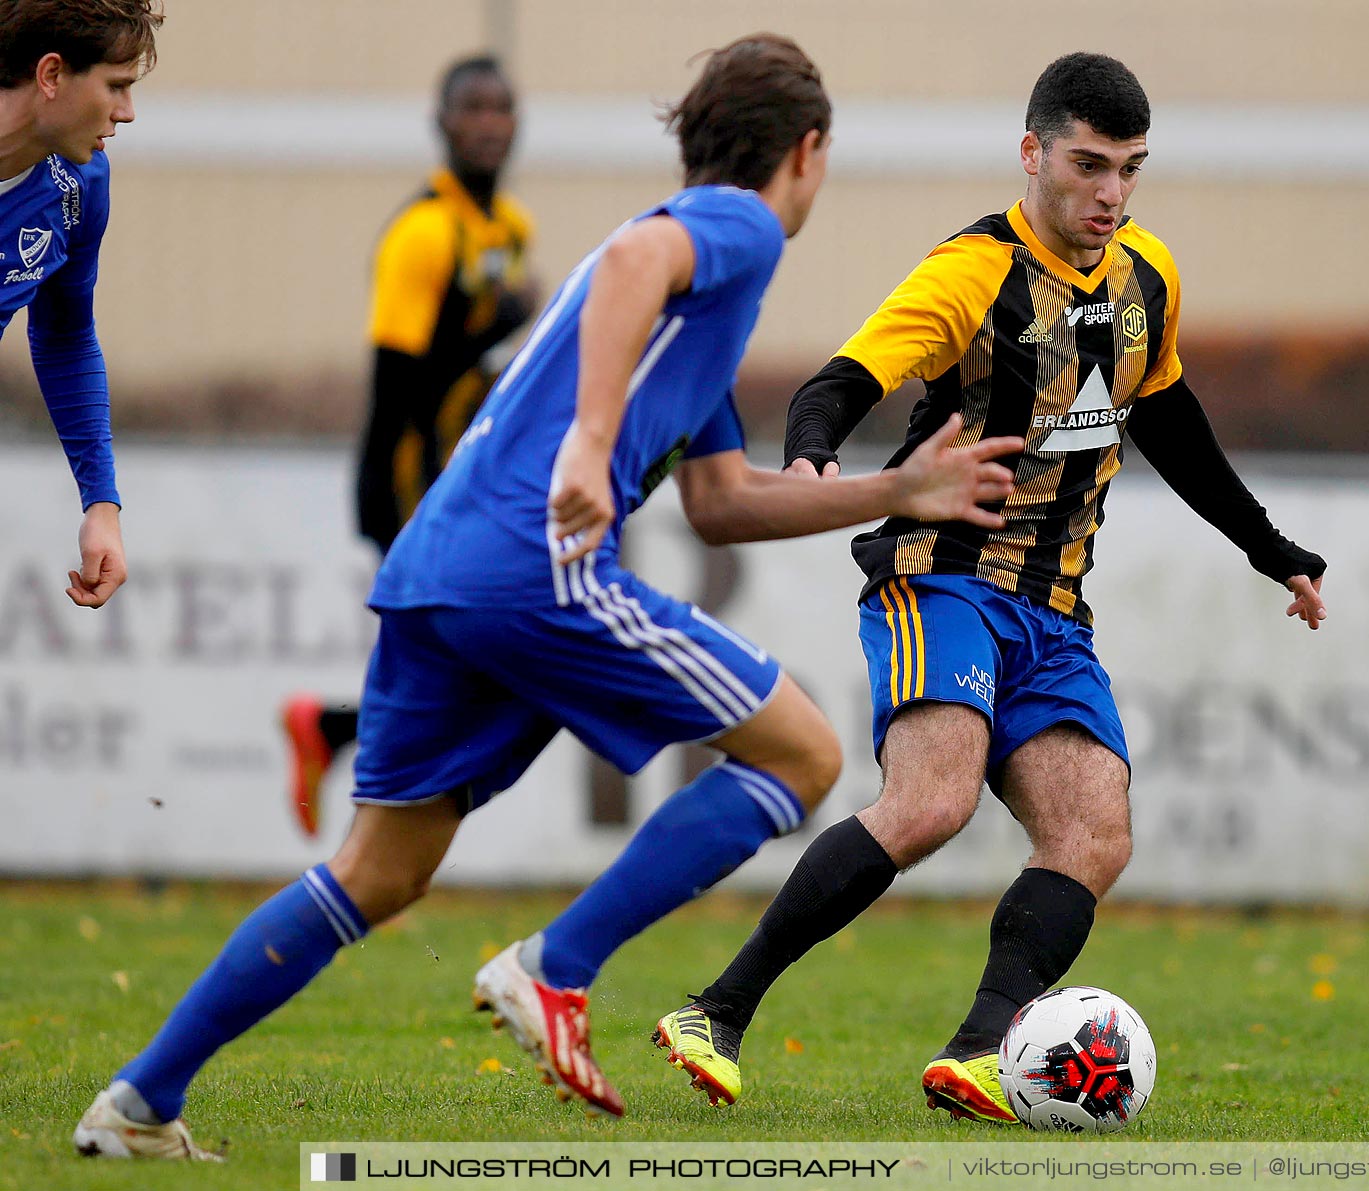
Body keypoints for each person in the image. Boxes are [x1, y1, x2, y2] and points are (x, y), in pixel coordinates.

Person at [74, 34, 1022, 1161]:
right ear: (806, 152)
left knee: (377, 873)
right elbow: (635, 265)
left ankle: (138, 1104)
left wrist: (898, 487)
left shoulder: (694, 312)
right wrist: (588, 441)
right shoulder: (735, 223)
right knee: (803, 757)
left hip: (437, 572)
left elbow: (720, 502)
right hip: (532, 568)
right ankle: (553, 967)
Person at [653, 52, 1328, 1122]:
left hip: (1054, 610)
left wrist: (1270, 547)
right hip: (944, 577)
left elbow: (1171, 421)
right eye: (1088, 165)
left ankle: (976, 1056)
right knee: (931, 804)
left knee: (1095, 834)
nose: (1109, 194)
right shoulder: (969, 274)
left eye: (1130, 171)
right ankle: (717, 1012)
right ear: (1033, 154)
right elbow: (840, 381)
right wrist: (818, 456)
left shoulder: (1147, 275)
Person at [282, 54, 537, 839]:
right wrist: (494, 329)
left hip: (467, 477)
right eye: (474, 108)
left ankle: (330, 733)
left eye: (502, 108)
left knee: (461, 657)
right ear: (444, 123)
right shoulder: (423, 235)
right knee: (470, 650)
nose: (490, 123)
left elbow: (475, 368)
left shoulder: (509, 228)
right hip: (407, 479)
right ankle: (364, 786)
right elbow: (398, 387)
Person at [0, 0, 162, 611]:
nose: (126, 113)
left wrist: (100, 502)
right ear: (50, 76)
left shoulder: (79, 187)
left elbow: (64, 336)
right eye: (115, 86)